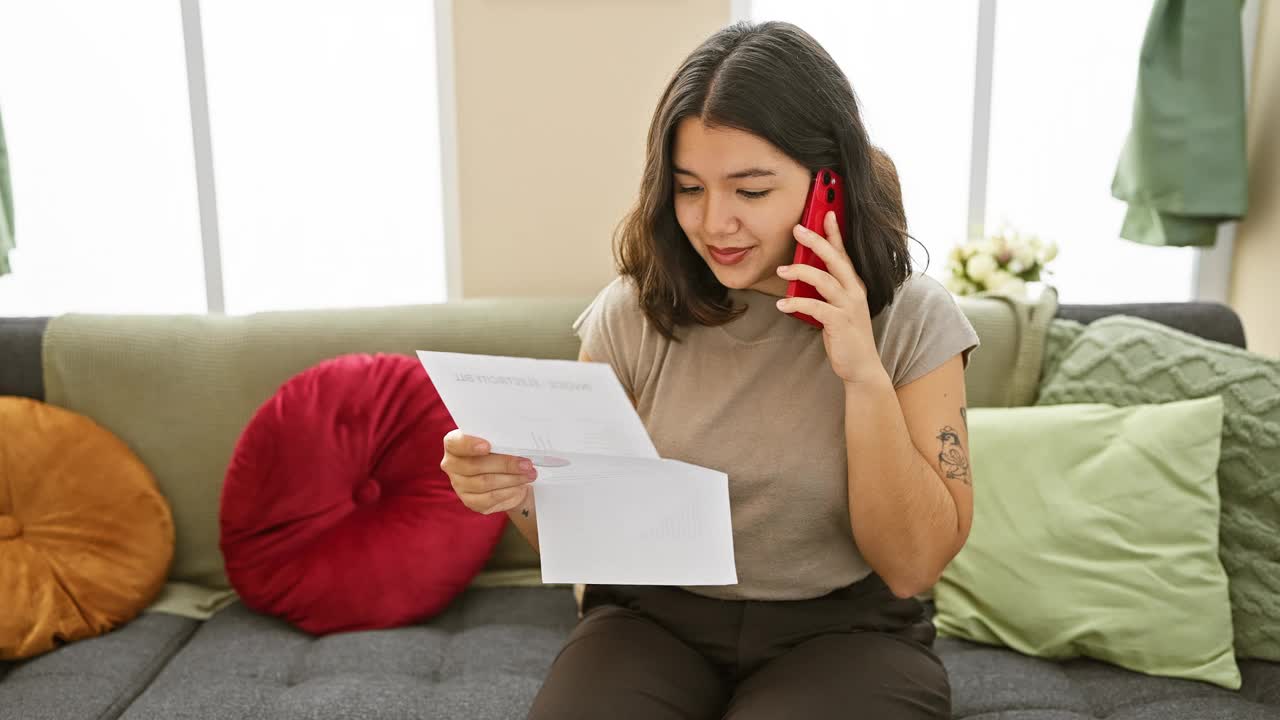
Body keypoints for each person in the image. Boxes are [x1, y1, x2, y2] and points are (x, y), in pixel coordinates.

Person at [439, 20, 980, 720]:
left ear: (830, 187)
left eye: (750, 192)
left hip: (846, 633)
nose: (713, 223)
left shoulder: (913, 319)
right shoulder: (633, 312)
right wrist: (512, 490)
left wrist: (862, 373)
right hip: (652, 621)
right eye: (690, 188)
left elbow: (915, 565)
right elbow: (589, 538)